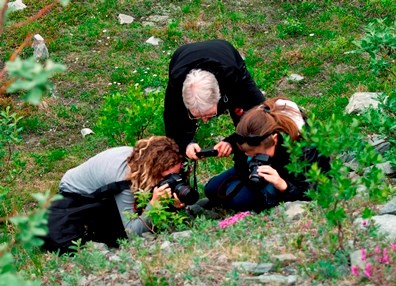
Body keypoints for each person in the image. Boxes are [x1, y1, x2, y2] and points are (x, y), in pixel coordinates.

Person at [42, 136, 191, 254]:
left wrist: (173, 205)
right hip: (78, 196)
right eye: (167, 177)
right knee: (116, 233)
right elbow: (133, 233)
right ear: (154, 171)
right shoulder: (124, 177)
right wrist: (154, 205)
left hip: (106, 188)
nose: (172, 180)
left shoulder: (144, 162)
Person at [204, 97, 330, 212]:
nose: (250, 157)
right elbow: (241, 161)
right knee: (211, 189)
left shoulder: (305, 149)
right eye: (247, 153)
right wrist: (248, 169)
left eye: (256, 154)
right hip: (258, 171)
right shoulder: (254, 129)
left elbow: (312, 191)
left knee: (238, 201)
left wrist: (284, 186)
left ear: (274, 140)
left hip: (286, 179)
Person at [164, 39, 265, 162]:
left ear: (220, 98)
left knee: (253, 118)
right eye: (196, 115)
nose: (205, 121)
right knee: (177, 128)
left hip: (226, 57)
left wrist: (233, 142)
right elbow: (173, 123)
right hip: (182, 58)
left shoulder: (232, 76)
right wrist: (185, 144)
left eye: (210, 114)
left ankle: (245, 164)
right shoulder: (176, 82)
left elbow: (259, 116)